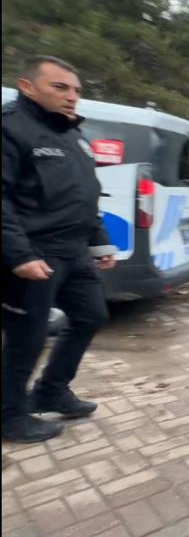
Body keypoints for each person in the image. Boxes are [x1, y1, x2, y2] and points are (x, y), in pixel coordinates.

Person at [2, 56, 117, 444]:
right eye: (60, 87)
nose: (72, 97)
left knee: (91, 315)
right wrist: (18, 255)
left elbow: (85, 197)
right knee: (27, 336)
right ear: (27, 86)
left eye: (76, 90)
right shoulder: (10, 129)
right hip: (34, 251)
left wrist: (99, 240)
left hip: (74, 251)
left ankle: (51, 390)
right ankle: (8, 414)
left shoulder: (72, 135)